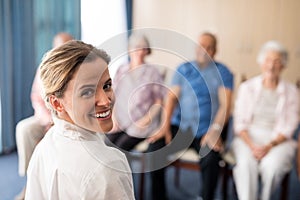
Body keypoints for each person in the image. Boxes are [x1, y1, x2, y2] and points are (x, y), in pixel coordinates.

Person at [25, 40, 135, 199]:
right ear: (57, 103)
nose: (105, 101)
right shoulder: (108, 167)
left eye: (107, 86)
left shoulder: (44, 148)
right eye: (87, 92)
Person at [148, 32, 234, 200]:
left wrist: (215, 130)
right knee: (154, 149)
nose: (204, 50)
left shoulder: (222, 72)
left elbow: (226, 105)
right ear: (196, 48)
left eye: (209, 47)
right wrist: (164, 126)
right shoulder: (184, 69)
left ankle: (204, 197)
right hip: (181, 127)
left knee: (211, 158)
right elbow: (171, 98)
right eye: (202, 46)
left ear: (215, 50)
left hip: (206, 129)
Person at [231, 41, 299, 200]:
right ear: (261, 62)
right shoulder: (247, 87)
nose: (271, 66)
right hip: (248, 136)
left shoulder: (292, 92)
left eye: (276, 61)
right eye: (268, 60)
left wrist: (269, 146)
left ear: (283, 66)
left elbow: (290, 126)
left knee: (272, 167)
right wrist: (252, 145)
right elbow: (239, 122)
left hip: (278, 139)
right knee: (246, 165)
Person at [14, 32, 73, 200]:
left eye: (67, 47)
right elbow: (36, 98)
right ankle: (29, 181)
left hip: (67, 119)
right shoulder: (44, 67)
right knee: (24, 128)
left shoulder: (79, 68)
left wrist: (59, 122)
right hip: (46, 117)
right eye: (59, 47)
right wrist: (48, 121)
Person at [106, 33, 165, 151]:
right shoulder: (121, 70)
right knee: (107, 143)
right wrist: (114, 117)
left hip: (142, 122)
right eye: (136, 47)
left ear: (147, 51)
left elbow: (159, 101)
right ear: (129, 49)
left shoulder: (152, 72)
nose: (139, 51)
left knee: (122, 146)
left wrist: (146, 120)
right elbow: (113, 96)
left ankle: (125, 170)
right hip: (122, 120)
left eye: (143, 48)